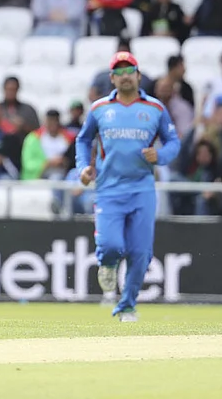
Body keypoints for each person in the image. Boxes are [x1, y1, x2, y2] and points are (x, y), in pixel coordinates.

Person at [76, 51, 180, 321]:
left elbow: (173, 142)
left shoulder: (155, 108)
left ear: (138, 75)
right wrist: (83, 167)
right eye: (118, 72)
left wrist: (161, 156)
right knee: (111, 245)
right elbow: (83, 140)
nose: (124, 76)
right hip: (108, 190)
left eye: (129, 70)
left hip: (142, 189)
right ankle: (108, 263)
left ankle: (127, 305)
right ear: (112, 78)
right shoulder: (99, 108)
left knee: (140, 253)